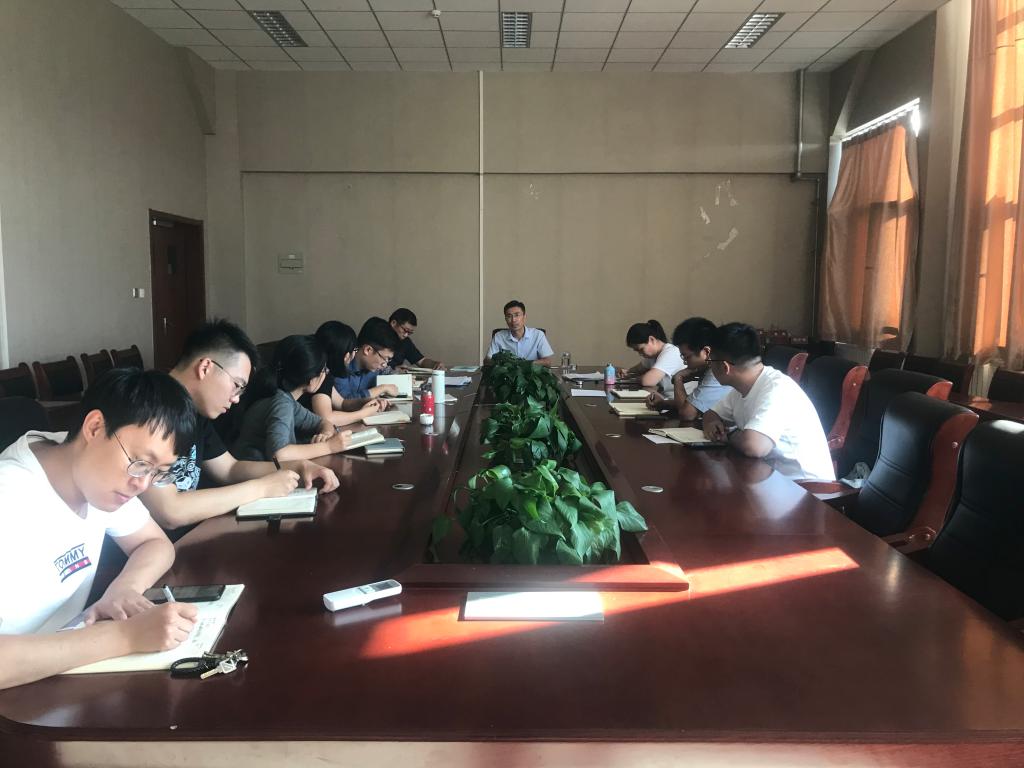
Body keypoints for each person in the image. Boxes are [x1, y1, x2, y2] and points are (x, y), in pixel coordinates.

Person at [0, 368, 201, 690]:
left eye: (157, 472)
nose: (142, 484)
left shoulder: (87, 468)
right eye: (140, 463)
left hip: (59, 679)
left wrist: (125, 589)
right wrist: (125, 636)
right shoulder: (11, 496)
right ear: (95, 427)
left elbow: (154, 543)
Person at [140, 320, 340, 534]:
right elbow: (170, 510)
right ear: (206, 367)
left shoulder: (194, 411)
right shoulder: (147, 407)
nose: (236, 399)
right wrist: (261, 488)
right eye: (236, 385)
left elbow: (230, 469)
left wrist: (297, 467)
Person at [702, 323, 835, 482]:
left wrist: (729, 434)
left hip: (805, 487)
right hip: (770, 479)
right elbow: (711, 414)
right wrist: (712, 423)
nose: (710, 366)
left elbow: (754, 446)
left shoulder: (776, 388)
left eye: (711, 361)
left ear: (725, 367)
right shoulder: (742, 387)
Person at [231, 335, 354, 463]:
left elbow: (322, 422)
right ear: (311, 380)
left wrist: (325, 434)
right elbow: (279, 454)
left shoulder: (286, 399)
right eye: (324, 370)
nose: (326, 373)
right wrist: (329, 446)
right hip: (252, 471)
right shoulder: (281, 403)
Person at [300, 320, 388, 432]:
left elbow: (342, 403)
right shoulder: (318, 374)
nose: (354, 354)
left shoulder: (326, 371)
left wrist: (367, 401)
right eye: (354, 350)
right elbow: (327, 418)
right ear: (346, 355)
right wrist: (363, 414)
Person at [646, 317, 731, 420]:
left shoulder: (717, 373)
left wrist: (678, 378)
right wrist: (663, 403)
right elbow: (693, 404)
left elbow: (687, 414)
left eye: (687, 357)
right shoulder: (708, 368)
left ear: (706, 352)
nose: (684, 362)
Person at [334, 317, 402, 400]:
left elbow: (389, 373)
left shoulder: (376, 367)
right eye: (385, 358)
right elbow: (344, 401)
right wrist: (382, 388)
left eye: (389, 359)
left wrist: (403, 379)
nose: (385, 364)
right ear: (368, 350)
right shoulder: (342, 363)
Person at [617, 320, 685, 391]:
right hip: (665, 396)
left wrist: (634, 378)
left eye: (641, 349)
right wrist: (627, 372)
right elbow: (638, 369)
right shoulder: (652, 356)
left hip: (678, 397)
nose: (640, 353)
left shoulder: (671, 352)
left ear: (651, 339)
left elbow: (647, 381)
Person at [486, 300, 554, 365]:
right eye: (509, 316)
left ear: (524, 317)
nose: (513, 320)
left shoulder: (538, 335)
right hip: (507, 372)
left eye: (517, 315)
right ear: (505, 319)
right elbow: (487, 360)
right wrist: (505, 364)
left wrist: (524, 364)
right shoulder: (499, 336)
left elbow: (548, 361)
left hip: (531, 372)